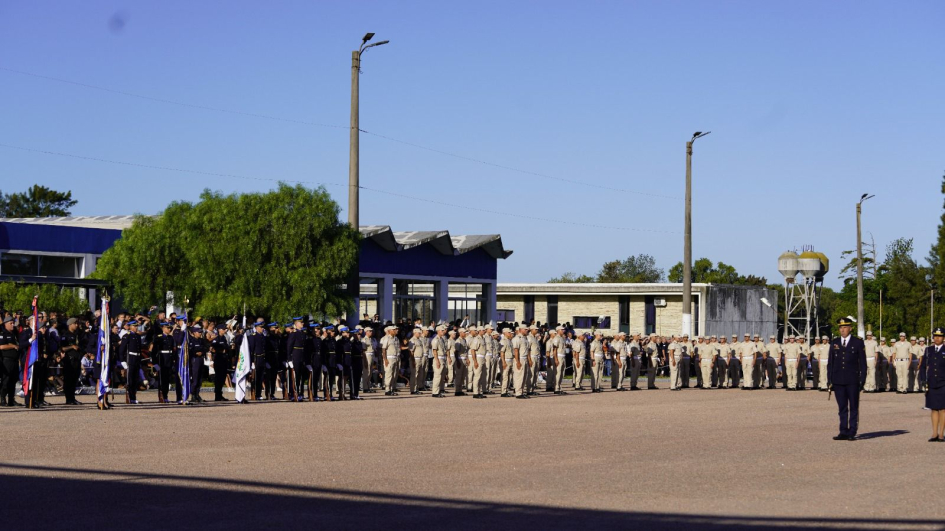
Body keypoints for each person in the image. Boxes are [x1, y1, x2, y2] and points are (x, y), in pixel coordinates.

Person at [827, 317, 867, 441]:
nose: (842, 330)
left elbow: (863, 363)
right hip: (838, 379)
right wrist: (830, 379)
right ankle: (843, 431)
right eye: (840, 327)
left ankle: (852, 431)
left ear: (850, 328)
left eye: (845, 327)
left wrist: (863, 378)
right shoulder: (835, 343)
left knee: (854, 407)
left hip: (852, 380)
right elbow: (831, 363)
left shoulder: (858, 342)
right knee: (842, 407)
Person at [920, 327, 945, 442]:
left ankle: (941, 434)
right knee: (934, 408)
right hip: (931, 383)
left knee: (943, 409)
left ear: (943, 338)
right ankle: (934, 434)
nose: (937, 338)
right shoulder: (928, 350)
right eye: (935, 336)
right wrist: (922, 380)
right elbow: (923, 366)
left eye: (939, 336)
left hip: (943, 383)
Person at [59, 318, 83, 405]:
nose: (76, 325)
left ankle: (72, 398)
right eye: (75, 323)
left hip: (77, 360)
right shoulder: (65, 335)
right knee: (68, 380)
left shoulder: (77, 334)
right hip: (69, 360)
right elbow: (62, 348)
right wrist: (71, 347)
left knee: (74, 380)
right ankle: (68, 398)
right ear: (70, 324)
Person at [119, 319, 143, 404]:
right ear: (130, 327)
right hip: (130, 359)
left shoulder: (138, 336)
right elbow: (122, 349)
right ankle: (130, 397)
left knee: (135, 379)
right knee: (130, 380)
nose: (136, 328)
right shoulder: (127, 336)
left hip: (136, 358)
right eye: (134, 326)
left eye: (137, 326)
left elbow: (139, 349)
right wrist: (122, 361)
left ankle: (133, 397)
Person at [0, 316, 20, 407]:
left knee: (13, 380)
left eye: (13, 323)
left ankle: (11, 400)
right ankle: (2, 399)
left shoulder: (14, 334)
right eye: (10, 323)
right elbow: (1, 347)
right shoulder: (3, 334)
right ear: (5, 324)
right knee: (6, 381)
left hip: (15, 360)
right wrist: (12, 346)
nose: (13, 325)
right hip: (7, 361)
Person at [210, 329, 230, 401]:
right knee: (218, 378)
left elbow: (227, 347)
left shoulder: (224, 338)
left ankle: (220, 394)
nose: (225, 330)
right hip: (218, 359)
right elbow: (213, 348)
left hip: (224, 359)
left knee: (222, 378)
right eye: (223, 329)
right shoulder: (216, 338)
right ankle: (217, 395)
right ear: (219, 330)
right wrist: (221, 350)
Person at [380, 325, 400, 396]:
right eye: (394, 330)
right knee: (389, 374)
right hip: (389, 358)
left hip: (395, 357)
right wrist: (385, 359)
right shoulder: (386, 339)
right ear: (389, 331)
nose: (396, 330)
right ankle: (387, 389)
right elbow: (383, 350)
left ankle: (391, 389)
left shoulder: (396, 339)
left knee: (394, 374)